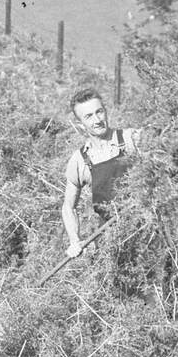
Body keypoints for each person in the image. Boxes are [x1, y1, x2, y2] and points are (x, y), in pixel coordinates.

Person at [60, 87, 143, 259]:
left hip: (145, 230)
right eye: (88, 116)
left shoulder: (131, 139)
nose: (97, 120)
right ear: (80, 124)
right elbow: (68, 207)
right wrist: (75, 240)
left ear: (105, 111)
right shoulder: (80, 160)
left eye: (99, 112)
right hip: (111, 240)